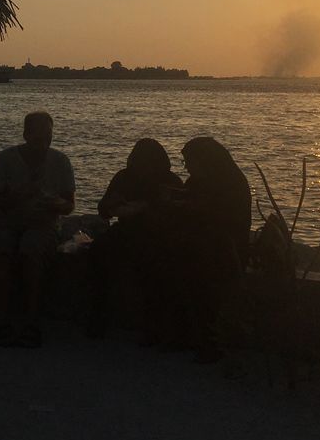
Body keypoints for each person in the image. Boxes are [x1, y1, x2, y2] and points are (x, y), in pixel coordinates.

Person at [151, 136, 252, 363]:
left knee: (198, 274)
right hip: (198, 245)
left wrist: (186, 207)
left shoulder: (231, 183)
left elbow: (223, 220)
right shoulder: (199, 181)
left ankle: (206, 340)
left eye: (190, 162)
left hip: (226, 248)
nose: (188, 168)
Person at [0, 111, 75, 347]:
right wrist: (16, 197)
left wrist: (55, 204)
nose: (44, 143)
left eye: (48, 137)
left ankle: (31, 321)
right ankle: (3, 320)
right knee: (1, 252)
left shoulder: (60, 161)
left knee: (31, 252)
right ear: (26, 135)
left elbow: (69, 205)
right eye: (39, 137)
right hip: (9, 221)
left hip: (44, 223)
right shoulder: (6, 159)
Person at [85, 138, 184, 340]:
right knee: (97, 252)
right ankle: (97, 313)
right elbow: (104, 210)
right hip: (127, 230)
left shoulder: (170, 182)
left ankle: (155, 324)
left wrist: (148, 208)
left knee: (155, 264)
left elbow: (177, 217)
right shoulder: (124, 177)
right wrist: (111, 204)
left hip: (159, 235)